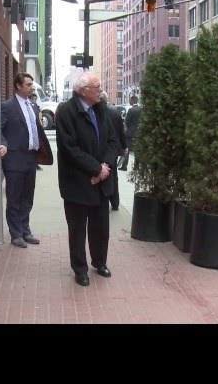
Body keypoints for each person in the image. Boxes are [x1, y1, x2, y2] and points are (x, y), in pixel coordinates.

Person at [55, 72, 118, 286]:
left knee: (100, 227)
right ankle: (80, 268)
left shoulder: (102, 110)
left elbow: (112, 141)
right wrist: (95, 169)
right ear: (83, 91)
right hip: (77, 182)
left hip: (101, 181)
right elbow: (69, 149)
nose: (100, 90)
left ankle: (99, 262)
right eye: (97, 86)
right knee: (78, 229)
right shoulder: (66, 111)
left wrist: (105, 169)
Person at [0, 73, 52, 248]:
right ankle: (16, 234)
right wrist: (3, 144)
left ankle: (25, 230)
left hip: (30, 158)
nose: (31, 87)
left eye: (32, 84)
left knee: (28, 197)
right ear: (18, 86)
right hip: (13, 159)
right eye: (28, 84)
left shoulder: (33, 107)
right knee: (14, 198)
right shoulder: (6, 106)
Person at [99, 91, 126, 211]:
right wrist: (124, 147)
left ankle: (103, 199)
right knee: (113, 177)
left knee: (101, 174)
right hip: (113, 150)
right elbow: (121, 132)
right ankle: (115, 202)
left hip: (100, 149)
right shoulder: (115, 112)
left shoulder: (96, 112)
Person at [118, 94, 141, 171]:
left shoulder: (131, 110)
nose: (129, 102)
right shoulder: (141, 109)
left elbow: (127, 122)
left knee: (126, 150)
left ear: (132, 100)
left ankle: (124, 166)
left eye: (130, 100)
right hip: (139, 134)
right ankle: (136, 167)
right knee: (138, 151)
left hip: (130, 134)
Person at [29, 93, 43, 171]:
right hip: (32, 131)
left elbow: (40, 114)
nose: (34, 100)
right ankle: (33, 164)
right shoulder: (29, 106)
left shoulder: (36, 106)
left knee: (37, 148)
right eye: (33, 99)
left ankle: (36, 164)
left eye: (35, 99)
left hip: (37, 130)